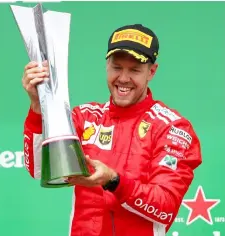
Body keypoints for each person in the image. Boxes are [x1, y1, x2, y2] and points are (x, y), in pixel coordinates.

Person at [22, 24, 202, 236]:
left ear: (151, 72)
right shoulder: (85, 117)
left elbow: (165, 208)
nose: (124, 78)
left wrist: (114, 181)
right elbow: (40, 169)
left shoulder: (171, 127)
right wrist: (38, 105)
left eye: (134, 70)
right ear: (107, 66)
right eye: (117, 67)